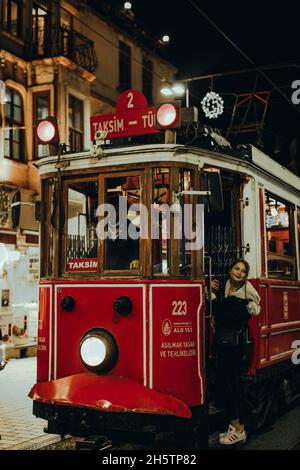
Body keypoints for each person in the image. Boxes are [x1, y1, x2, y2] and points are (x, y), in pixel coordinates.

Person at [209, 259, 260, 446]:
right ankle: (237, 427)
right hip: (223, 344)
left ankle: (238, 428)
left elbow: (222, 313)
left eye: (243, 271)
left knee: (226, 383)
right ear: (230, 270)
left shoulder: (246, 295)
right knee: (231, 384)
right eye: (237, 269)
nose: (240, 272)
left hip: (233, 347)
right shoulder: (226, 287)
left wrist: (212, 295)